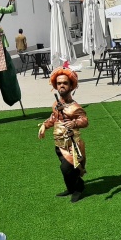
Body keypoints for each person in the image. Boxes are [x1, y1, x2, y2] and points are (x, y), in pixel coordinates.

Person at [38, 67, 88, 203]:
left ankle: (79, 187)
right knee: (66, 169)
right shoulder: (56, 104)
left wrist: (74, 123)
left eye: (65, 83)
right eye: (59, 83)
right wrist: (44, 125)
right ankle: (71, 188)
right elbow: (53, 118)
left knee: (67, 168)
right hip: (59, 144)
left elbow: (85, 121)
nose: (61, 86)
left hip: (72, 145)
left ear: (71, 85)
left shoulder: (75, 107)